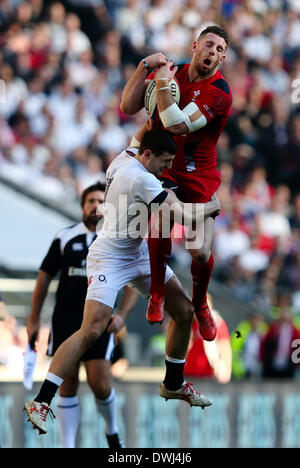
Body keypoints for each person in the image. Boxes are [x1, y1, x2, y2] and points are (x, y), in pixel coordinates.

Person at [24, 125, 221, 436]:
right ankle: (42, 400)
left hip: (138, 252)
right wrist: (212, 205)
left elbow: (143, 130)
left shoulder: (125, 157)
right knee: (90, 329)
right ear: (147, 155)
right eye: (165, 162)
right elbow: (183, 215)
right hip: (110, 257)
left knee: (184, 313)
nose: (168, 169)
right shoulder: (140, 178)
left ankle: (173, 383)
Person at [121, 25, 232, 342]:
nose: (213, 51)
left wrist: (162, 84)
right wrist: (145, 66)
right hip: (165, 166)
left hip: (199, 174)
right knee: (161, 217)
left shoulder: (219, 93)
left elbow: (178, 124)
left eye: (220, 49)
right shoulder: (173, 72)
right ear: (195, 46)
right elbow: (127, 106)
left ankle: (200, 304)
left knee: (199, 251)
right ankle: (156, 292)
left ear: (222, 58)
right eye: (209, 44)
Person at [26, 182, 138, 448]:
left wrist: (122, 314)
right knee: (68, 384)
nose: (96, 206)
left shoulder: (117, 238)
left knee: (100, 383)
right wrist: (34, 319)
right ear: (82, 206)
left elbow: (135, 279)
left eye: (102, 201)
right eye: (91, 201)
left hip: (99, 321)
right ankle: (68, 445)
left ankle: (112, 431)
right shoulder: (64, 237)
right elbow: (43, 279)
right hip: (65, 319)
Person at [184, 294, 232, 384]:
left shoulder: (217, 322)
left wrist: (226, 370)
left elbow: (225, 347)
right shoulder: (190, 323)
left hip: (208, 375)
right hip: (188, 374)